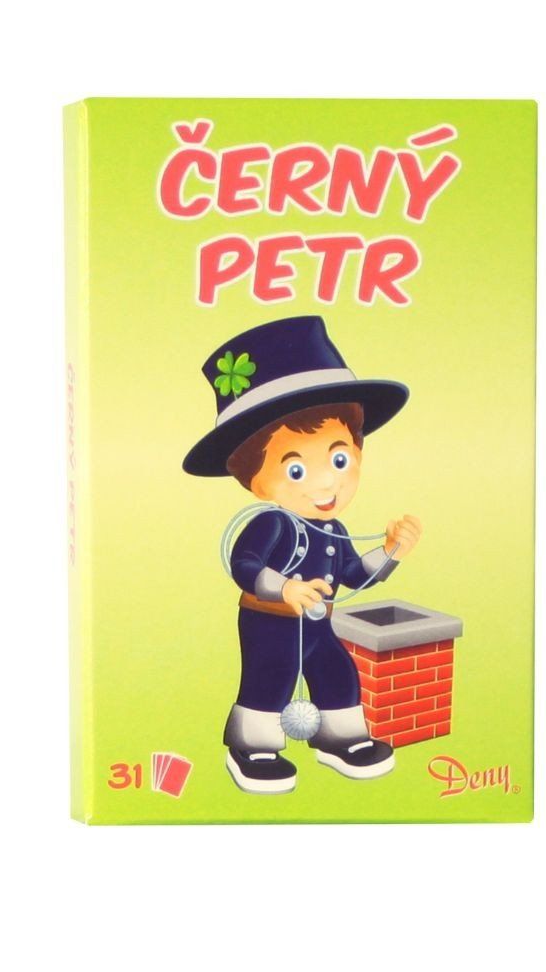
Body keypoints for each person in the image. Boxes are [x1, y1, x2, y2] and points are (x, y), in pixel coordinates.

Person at [183, 315, 421, 794]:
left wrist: (390, 552)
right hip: (270, 621)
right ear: (253, 479)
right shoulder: (272, 523)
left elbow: (352, 574)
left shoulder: (334, 529)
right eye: (295, 470)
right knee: (270, 678)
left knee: (336, 672)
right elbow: (245, 566)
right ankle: (252, 744)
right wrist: (285, 587)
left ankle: (341, 735)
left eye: (339, 459)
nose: (326, 482)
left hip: (318, 623)